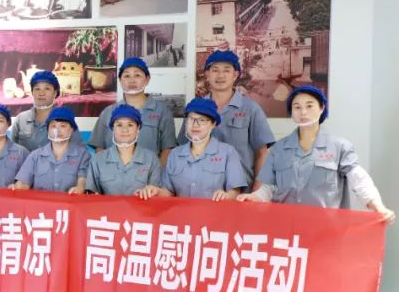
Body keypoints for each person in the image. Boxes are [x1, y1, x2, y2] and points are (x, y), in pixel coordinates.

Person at [237, 87, 395, 221]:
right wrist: (255, 197)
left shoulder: (340, 147)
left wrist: (378, 207)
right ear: (291, 112)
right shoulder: (278, 149)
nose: (303, 112)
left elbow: (359, 181)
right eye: (297, 107)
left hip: (326, 230)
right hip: (286, 229)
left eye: (309, 106)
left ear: (321, 108)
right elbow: (270, 187)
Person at [178, 50, 273, 185]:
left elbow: (262, 154)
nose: (220, 75)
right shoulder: (194, 109)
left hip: (240, 189)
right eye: (215, 70)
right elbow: (183, 149)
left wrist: (256, 191)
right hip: (200, 189)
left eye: (227, 70)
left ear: (235, 75)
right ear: (207, 74)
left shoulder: (250, 109)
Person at [140, 98, 247, 201]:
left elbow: (235, 192)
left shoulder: (228, 153)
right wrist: (156, 191)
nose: (195, 125)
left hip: (215, 213)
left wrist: (226, 196)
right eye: (191, 119)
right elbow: (169, 191)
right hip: (182, 213)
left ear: (213, 124)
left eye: (202, 120)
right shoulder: (175, 154)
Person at [89, 58, 176, 164]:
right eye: (126, 76)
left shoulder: (162, 112)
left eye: (137, 75)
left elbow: (168, 149)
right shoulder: (108, 113)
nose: (132, 80)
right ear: (120, 80)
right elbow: (100, 148)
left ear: (147, 79)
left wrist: (156, 172)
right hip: (113, 174)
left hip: (149, 173)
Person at [85, 104, 163, 196]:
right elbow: (91, 196)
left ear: (138, 128)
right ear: (112, 128)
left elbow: (156, 196)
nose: (125, 130)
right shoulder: (97, 160)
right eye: (119, 125)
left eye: (130, 125)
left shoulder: (151, 159)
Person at [11, 107, 90, 194]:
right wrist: (16, 187)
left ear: (71, 130)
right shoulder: (35, 156)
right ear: (48, 130)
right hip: (41, 203)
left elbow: (82, 181)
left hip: (70, 202)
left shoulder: (83, 155)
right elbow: (23, 184)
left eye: (63, 126)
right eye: (53, 126)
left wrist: (80, 187)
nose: (57, 130)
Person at [10, 71, 83, 151]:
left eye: (47, 88)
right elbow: (11, 150)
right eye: (37, 89)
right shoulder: (21, 119)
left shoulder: (65, 119)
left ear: (55, 93)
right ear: (32, 92)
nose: (41, 93)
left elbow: (80, 151)